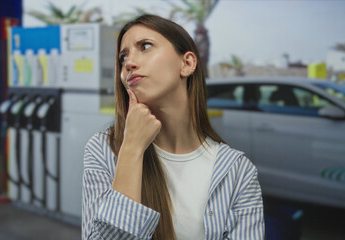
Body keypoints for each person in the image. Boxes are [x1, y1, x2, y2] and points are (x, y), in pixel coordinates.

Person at [82, 14, 264, 240]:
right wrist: (132, 149)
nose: (129, 63)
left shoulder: (238, 172)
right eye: (123, 57)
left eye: (145, 46)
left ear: (187, 63)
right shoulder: (104, 150)